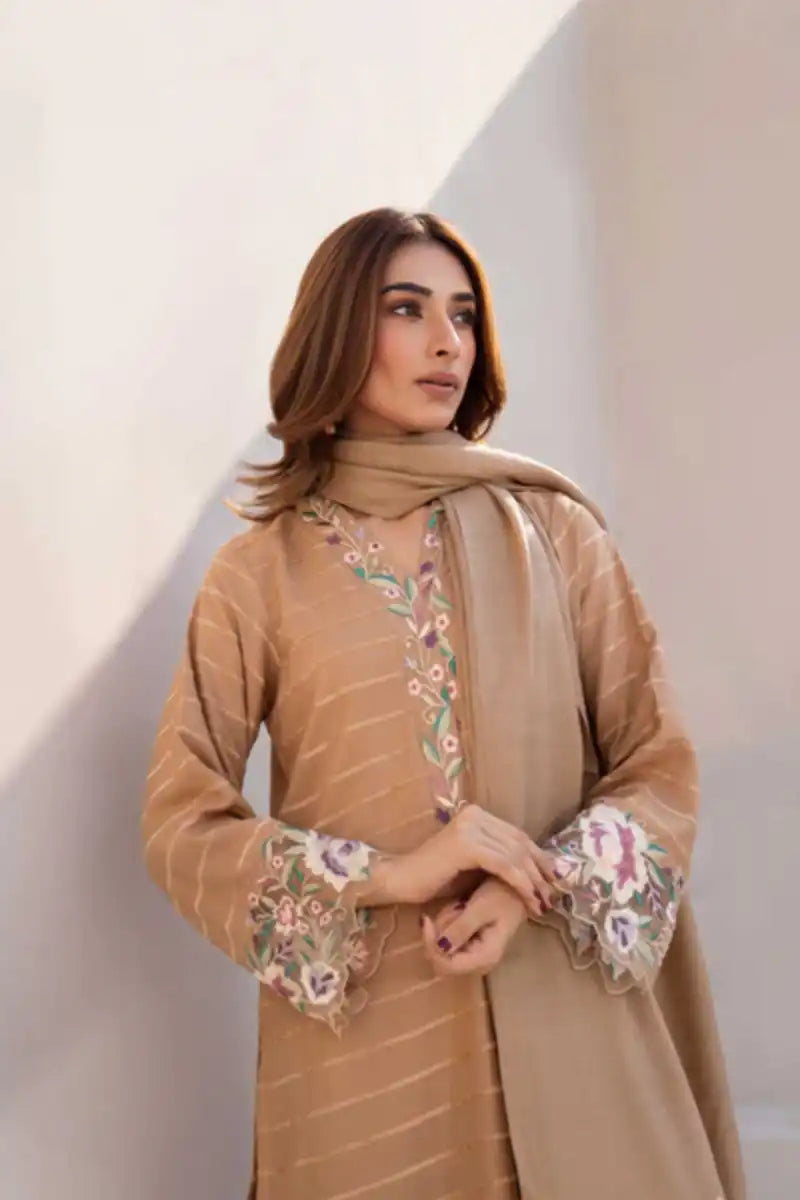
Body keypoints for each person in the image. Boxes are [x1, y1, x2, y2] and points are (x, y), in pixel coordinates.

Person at [142, 208, 746, 1200]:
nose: (446, 343)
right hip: (373, 1051)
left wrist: (532, 884)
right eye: (406, 309)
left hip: (565, 998)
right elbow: (181, 821)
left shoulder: (553, 533)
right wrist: (391, 875)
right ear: (338, 330)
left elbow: (657, 764)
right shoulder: (260, 573)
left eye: (463, 315)